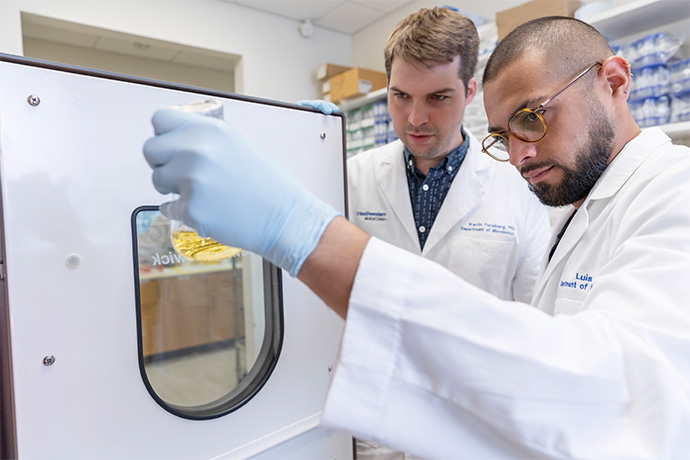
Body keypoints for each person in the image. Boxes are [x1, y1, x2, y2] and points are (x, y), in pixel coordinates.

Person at [144, 16, 690, 458]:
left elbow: (607, 393)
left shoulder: (673, 193)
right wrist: (303, 154)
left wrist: (305, 234)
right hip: (385, 426)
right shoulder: (576, 203)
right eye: (503, 134)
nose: (521, 153)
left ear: (615, 82)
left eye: (532, 118)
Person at [311, 7, 551, 307]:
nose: (416, 118)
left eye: (437, 97)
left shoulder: (520, 187)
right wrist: (304, 156)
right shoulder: (353, 177)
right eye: (401, 96)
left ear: (469, 92)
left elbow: (535, 312)